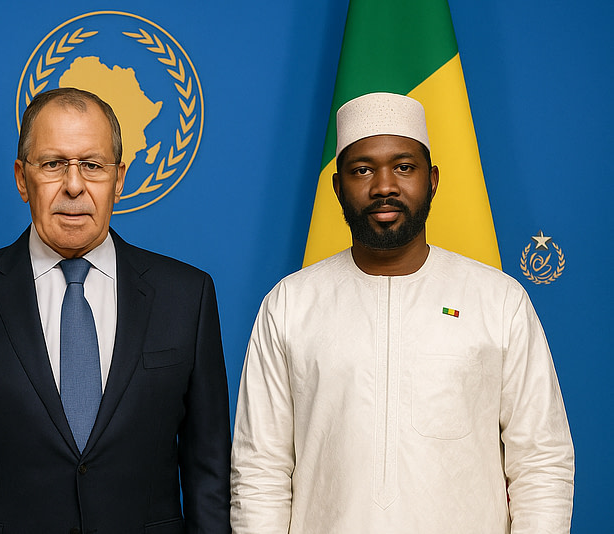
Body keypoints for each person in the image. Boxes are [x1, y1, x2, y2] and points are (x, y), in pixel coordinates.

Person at [230, 92, 574, 533]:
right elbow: (260, 468)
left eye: (404, 167)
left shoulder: (498, 300)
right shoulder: (290, 304)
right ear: (337, 187)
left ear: (432, 180)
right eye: (362, 170)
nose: (384, 186)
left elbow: (541, 461)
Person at [0, 87, 230, 532]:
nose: (74, 186)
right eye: (53, 164)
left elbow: (209, 477)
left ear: (119, 178)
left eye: (92, 165)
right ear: (22, 178)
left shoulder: (187, 297)